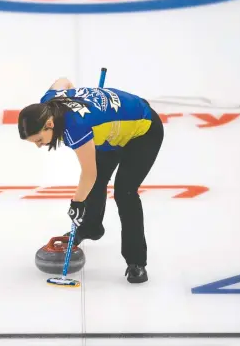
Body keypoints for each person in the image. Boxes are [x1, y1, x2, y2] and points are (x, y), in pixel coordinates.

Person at [17, 77, 164, 283]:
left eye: (39, 140)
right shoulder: (49, 101)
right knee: (97, 179)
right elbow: (64, 81)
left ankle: (136, 262)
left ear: (50, 123)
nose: (39, 146)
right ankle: (91, 227)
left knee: (125, 192)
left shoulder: (75, 126)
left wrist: (76, 203)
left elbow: (89, 173)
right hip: (110, 132)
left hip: (143, 130)